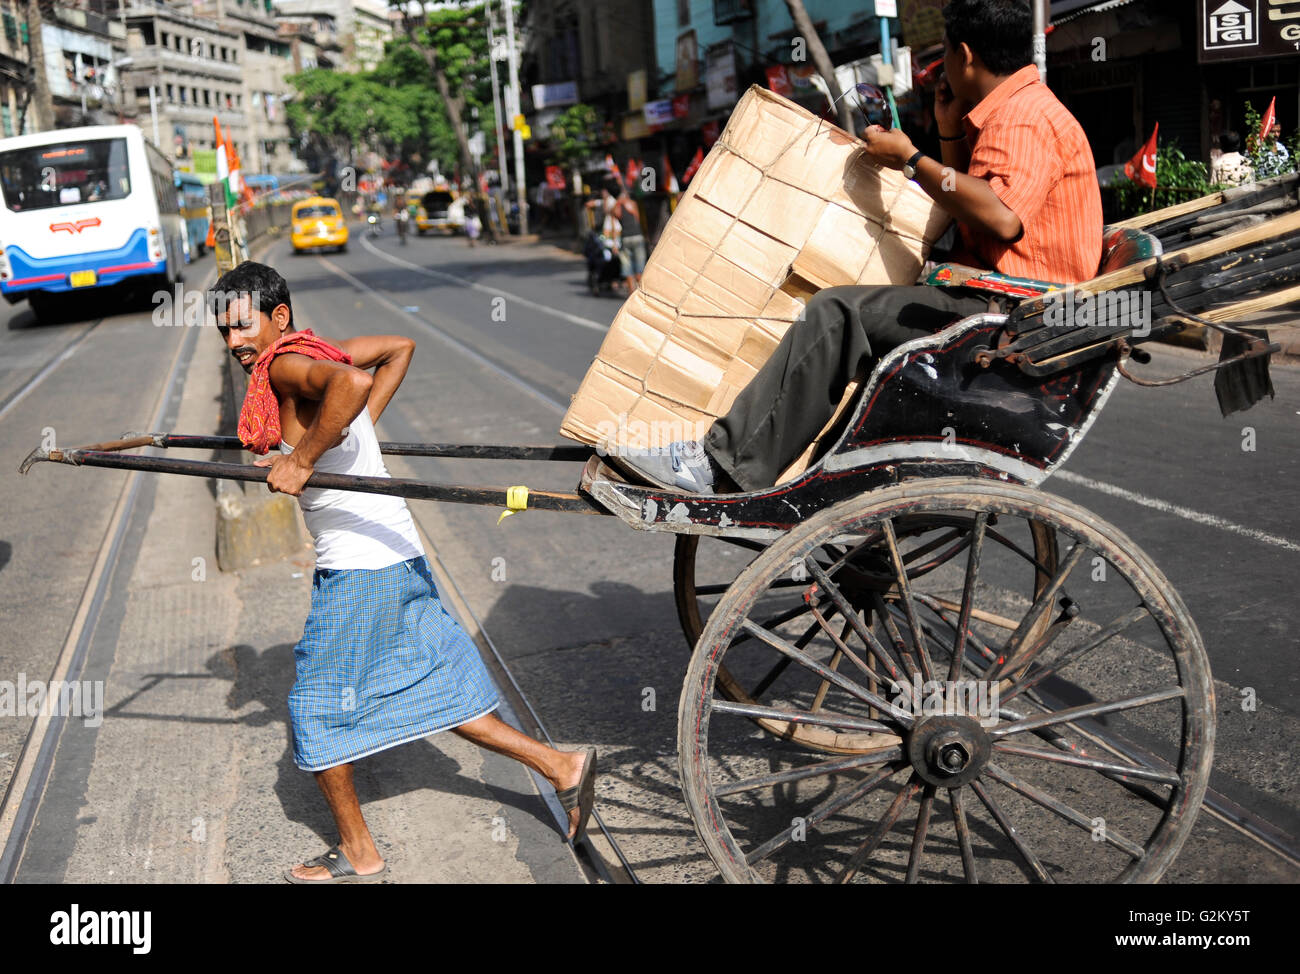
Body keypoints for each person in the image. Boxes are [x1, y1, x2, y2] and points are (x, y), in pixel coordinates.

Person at [207, 262, 598, 883]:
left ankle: (359, 851)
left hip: (362, 572)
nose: (234, 343)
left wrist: (308, 455)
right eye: (223, 332)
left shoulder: (285, 364)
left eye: (242, 327)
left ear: (278, 318)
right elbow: (396, 349)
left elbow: (352, 385)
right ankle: (561, 766)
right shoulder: (313, 348)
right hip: (398, 554)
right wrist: (351, 436)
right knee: (442, 691)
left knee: (315, 709)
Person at [617, 0, 1104, 494]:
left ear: (963, 54)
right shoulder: (1011, 109)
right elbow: (968, 199)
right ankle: (830, 479)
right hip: (1000, 297)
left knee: (836, 314)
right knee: (857, 312)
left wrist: (912, 158)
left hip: (1014, 312)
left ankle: (725, 464)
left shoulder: (1022, 117)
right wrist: (949, 128)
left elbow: (1000, 216)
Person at [614, 190, 647, 294]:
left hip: (626, 238)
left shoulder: (618, 207)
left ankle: (631, 291)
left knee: (627, 266)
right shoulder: (633, 204)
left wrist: (618, 202)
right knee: (640, 265)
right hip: (637, 236)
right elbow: (638, 219)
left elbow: (615, 217)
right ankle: (642, 291)